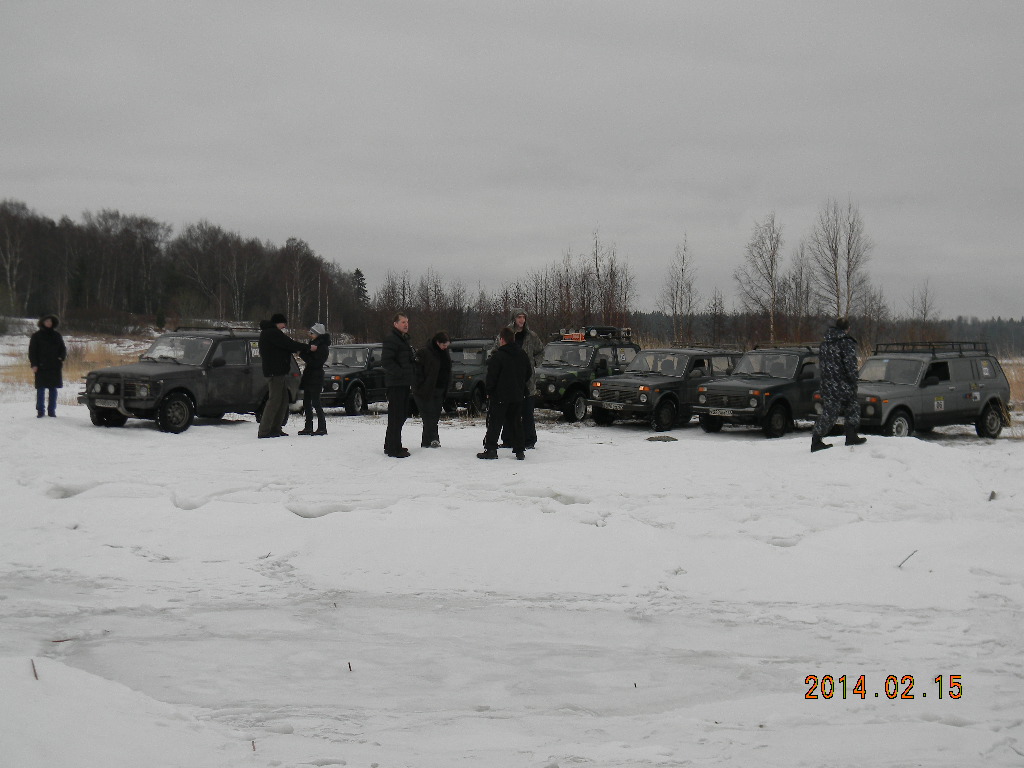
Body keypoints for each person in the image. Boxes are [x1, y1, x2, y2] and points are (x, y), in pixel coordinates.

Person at [811, 317, 867, 452]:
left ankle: (848, 436)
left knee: (843, 408)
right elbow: (850, 365)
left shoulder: (825, 343)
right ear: (848, 328)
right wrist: (854, 379)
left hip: (827, 384)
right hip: (843, 384)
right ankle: (818, 440)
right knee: (841, 409)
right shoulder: (846, 342)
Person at [478, 327, 531, 460]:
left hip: (500, 396)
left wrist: (489, 391)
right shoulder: (522, 354)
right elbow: (528, 373)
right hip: (517, 395)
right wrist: (519, 384)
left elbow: (492, 377)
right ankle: (520, 451)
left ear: (502, 340)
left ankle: (491, 449)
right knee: (516, 423)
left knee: (495, 423)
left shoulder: (498, 356)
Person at [497, 308, 544, 449]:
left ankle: (529, 440)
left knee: (527, 412)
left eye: (523, 317)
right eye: (519, 317)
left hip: (527, 380)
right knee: (509, 411)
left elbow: (541, 351)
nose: (522, 320)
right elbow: (495, 350)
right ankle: (508, 439)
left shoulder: (531, 336)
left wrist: (534, 362)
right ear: (514, 318)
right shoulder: (505, 334)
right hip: (509, 379)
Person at [257, 313, 310, 439]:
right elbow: (289, 344)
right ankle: (264, 430)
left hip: (278, 372)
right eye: (284, 323)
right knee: (275, 400)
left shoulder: (270, 333)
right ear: (278, 322)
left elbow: (286, 346)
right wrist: (307, 347)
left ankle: (275, 428)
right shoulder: (272, 333)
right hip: (275, 372)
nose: (285, 326)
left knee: (283, 400)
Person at [382, 312, 416, 457]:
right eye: (403, 322)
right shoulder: (392, 339)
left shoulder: (403, 339)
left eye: (407, 322)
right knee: (396, 416)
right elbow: (386, 362)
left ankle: (392, 444)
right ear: (395, 324)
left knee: (401, 415)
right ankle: (393, 449)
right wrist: (401, 373)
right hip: (396, 383)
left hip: (404, 383)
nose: (406, 325)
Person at [413, 331, 452, 448]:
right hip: (426, 390)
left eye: (447, 345)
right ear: (437, 342)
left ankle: (426, 442)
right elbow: (416, 372)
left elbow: (447, 370)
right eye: (444, 345)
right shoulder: (424, 352)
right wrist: (421, 386)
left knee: (434, 416)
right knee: (428, 416)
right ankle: (434, 439)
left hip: (440, 389)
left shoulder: (445, 353)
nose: (445, 347)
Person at [28, 314, 67, 418]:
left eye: (50, 321)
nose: (49, 323)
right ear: (43, 323)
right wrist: (34, 364)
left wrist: (61, 358)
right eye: (47, 321)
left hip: (54, 367)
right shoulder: (36, 336)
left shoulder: (57, 335)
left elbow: (63, 349)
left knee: (53, 389)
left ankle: (52, 411)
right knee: (41, 389)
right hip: (41, 367)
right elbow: (32, 352)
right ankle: (40, 411)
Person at [298, 322, 331, 436]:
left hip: (316, 377)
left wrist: (303, 355)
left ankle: (322, 427)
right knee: (306, 402)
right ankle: (308, 426)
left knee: (316, 402)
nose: (310, 335)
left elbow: (315, 363)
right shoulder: (313, 345)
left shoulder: (323, 347)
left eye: (312, 333)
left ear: (318, 334)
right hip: (309, 375)